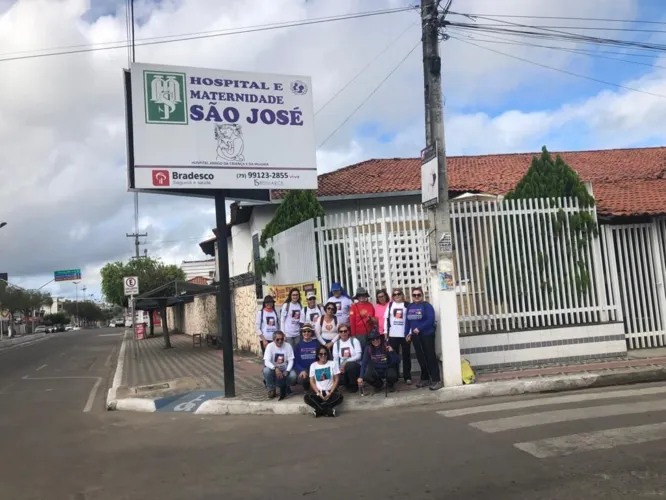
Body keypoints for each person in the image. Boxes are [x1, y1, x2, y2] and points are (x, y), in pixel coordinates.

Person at [406, 287, 441, 390]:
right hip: (415, 336)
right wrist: (407, 334)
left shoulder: (427, 306)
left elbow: (430, 320)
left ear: (422, 296)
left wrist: (419, 328)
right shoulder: (410, 307)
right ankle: (425, 378)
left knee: (430, 357)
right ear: (412, 296)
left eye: (418, 295)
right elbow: (408, 322)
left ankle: (436, 380)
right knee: (420, 357)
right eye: (414, 295)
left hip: (427, 335)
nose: (416, 297)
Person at [304, 345, 344, 417]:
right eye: (321, 354)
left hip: (331, 391)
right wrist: (318, 393)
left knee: (339, 397)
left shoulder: (332, 363)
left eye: (325, 354)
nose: (323, 356)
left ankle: (319, 410)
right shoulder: (313, 365)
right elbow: (312, 381)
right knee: (307, 397)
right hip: (319, 392)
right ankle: (328, 411)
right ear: (318, 355)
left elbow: (336, 379)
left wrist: (330, 392)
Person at [385, 288, 412, 385]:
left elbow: (411, 320)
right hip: (393, 334)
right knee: (393, 356)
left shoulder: (407, 305)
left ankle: (407, 377)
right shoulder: (390, 305)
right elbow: (386, 319)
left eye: (398, 294)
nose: (397, 296)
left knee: (406, 356)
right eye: (394, 294)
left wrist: (410, 333)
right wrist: (385, 332)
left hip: (404, 335)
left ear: (402, 295)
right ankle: (395, 376)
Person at [262, 331, 297, 400]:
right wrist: (275, 368)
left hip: (284, 367)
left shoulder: (288, 346)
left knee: (293, 376)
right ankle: (271, 389)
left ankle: (286, 386)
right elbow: (266, 361)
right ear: (273, 340)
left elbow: (291, 360)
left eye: (282, 339)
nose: (280, 341)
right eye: (277, 339)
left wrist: (287, 371)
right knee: (266, 371)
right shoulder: (270, 346)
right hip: (273, 368)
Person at [332, 324, 362, 392]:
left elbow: (358, 356)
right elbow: (335, 359)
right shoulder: (336, 344)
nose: (343, 333)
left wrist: (346, 361)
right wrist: (338, 369)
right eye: (341, 331)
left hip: (355, 366)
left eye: (345, 331)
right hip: (342, 367)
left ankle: (353, 384)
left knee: (350, 365)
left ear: (348, 332)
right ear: (339, 333)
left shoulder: (354, 341)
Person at [293, 322, 318, 392]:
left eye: (308, 331)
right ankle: (306, 388)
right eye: (304, 331)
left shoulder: (316, 344)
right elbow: (296, 362)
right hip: (304, 370)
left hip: (314, 369)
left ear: (311, 333)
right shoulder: (298, 345)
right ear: (302, 333)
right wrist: (302, 370)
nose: (306, 333)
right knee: (301, 378)